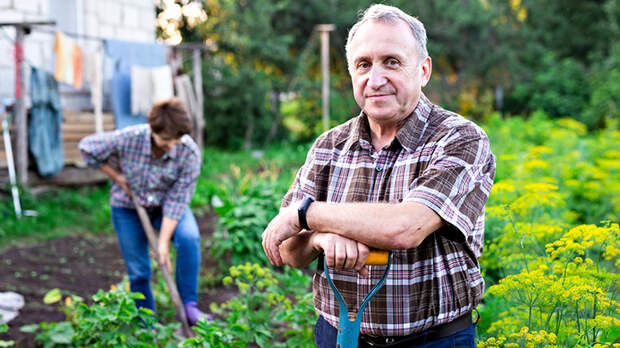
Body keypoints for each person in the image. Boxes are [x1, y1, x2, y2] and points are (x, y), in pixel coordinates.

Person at [262, 4, 495, 347]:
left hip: (433, 340)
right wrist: (319, 240)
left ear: (423, 70)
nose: (376, 79)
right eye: (363, 64)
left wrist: (306, 214)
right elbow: (287, 249)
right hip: (338, 335)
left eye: (392, 62)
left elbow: (406, 227)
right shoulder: (329, 146)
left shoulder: (459, 138)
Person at [79, 98, 210, 325]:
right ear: (152, 129)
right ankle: (146, 324)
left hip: (166, 206)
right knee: (139, 270)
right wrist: (118, 177)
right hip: (128, 208)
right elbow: (87, 148)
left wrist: (162, 245)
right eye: (166, 140)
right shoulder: (130, 138)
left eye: (177, 139)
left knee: (189, 237)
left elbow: (178, 200)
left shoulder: (188, 152)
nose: (173, 145)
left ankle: (189, 307)